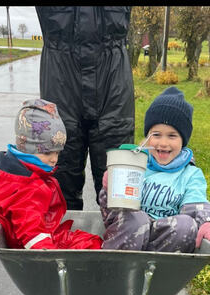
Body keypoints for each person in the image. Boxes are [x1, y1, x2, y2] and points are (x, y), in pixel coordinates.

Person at [35, 6, 135, 210]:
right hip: (61, 80)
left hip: (113, 84)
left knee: (119, 193)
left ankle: (119, 240)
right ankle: (62, 240)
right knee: (60, 189)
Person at [99, 87, 210, 253]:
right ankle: (116, 265)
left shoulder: (190, 174)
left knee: (186, 225)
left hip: (162, 242)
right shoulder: (135, 164)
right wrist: (111, 186)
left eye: (172, 136)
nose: (163, 143)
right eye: (156, 135)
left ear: (183, 140)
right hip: (128, 232)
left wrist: (207, 221)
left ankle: (155, 267)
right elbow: (111, 210)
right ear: (148, 136)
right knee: (138, 219)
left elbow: (196, 204)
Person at [0, 98, 102, 250]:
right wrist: (50, 261)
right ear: (29, 149)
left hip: (48, 234)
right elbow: (32, 234)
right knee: (93, 246)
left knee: (94, 241)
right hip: (42, 244)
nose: (54, 159)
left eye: (58, 153)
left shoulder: (23, 175)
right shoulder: (28, 189)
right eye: (48, 153)